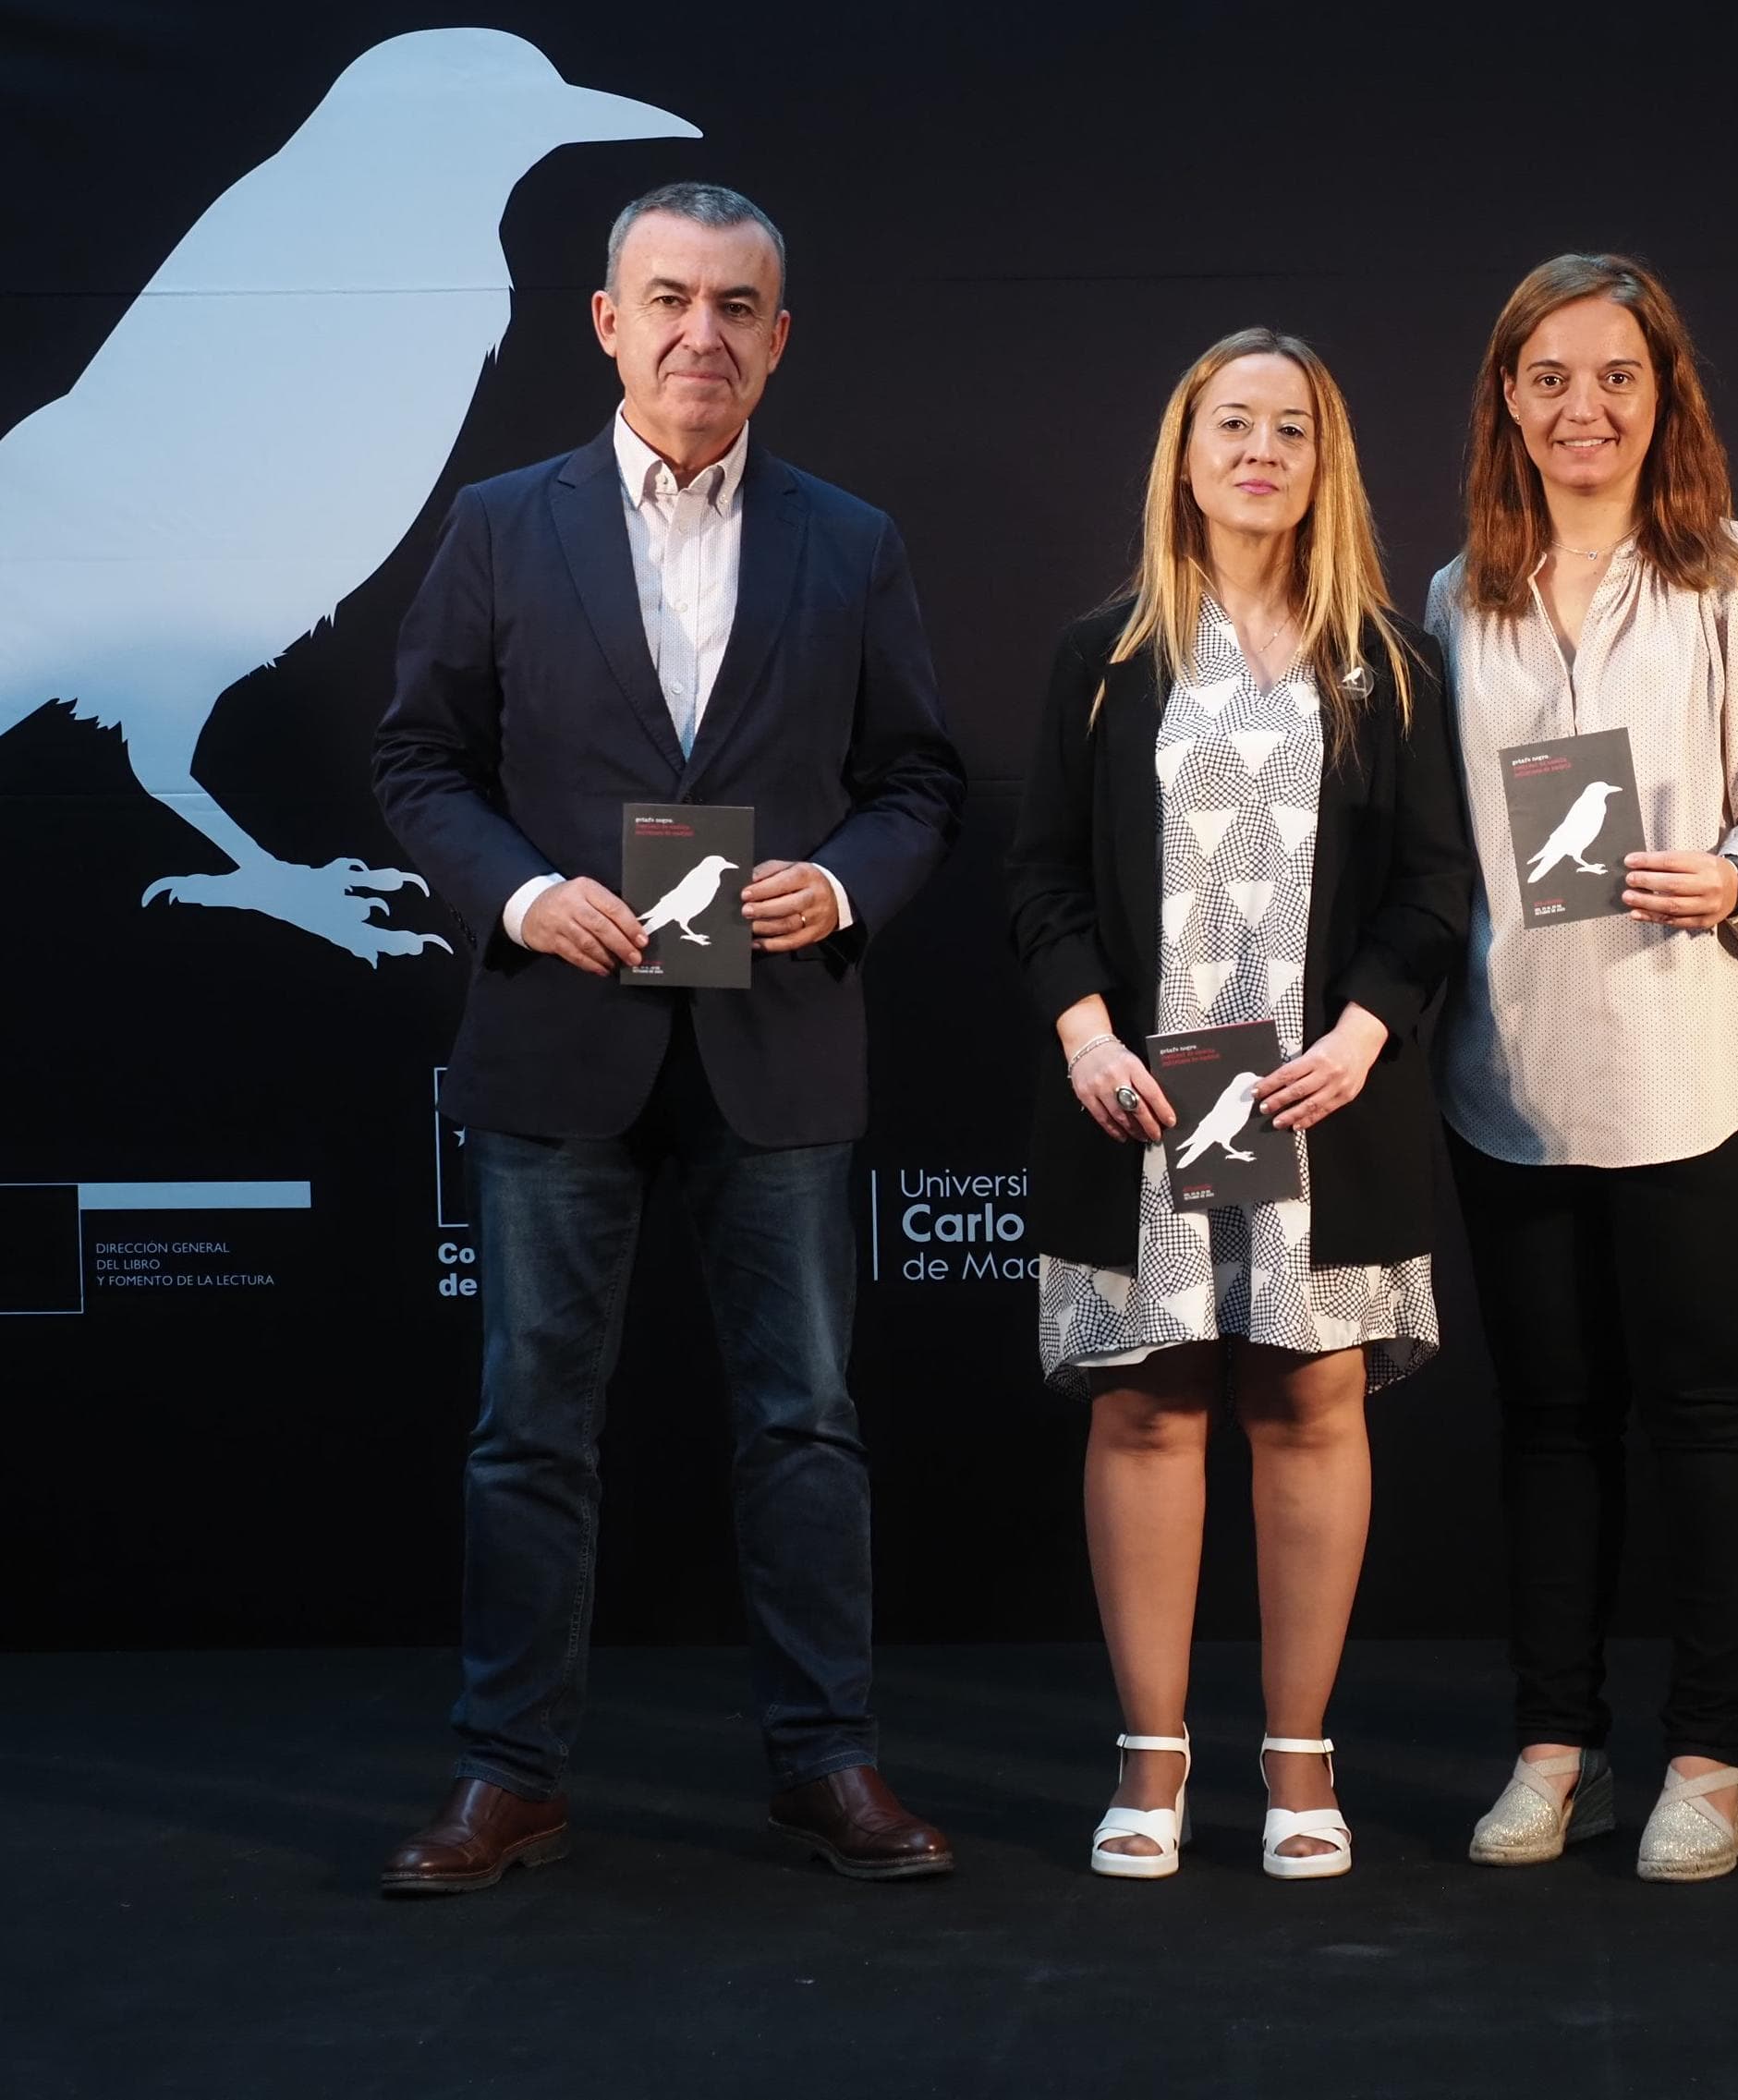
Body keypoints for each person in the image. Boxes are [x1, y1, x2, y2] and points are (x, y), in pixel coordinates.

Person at [371, 182, 966, 1893]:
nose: (703, 331)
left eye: (737, 306)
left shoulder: (850, 540)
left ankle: (827, 1760)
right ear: (608, 323)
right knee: (530, 1428)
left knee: (805, 1420)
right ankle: (508, 1775)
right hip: (561, 1033)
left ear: (779, 340)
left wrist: (838, 887)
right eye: (670, 299)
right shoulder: (501, 523)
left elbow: (919, 780)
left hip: (778, 1038)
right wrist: (520, 894)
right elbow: (418, 759)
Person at [1004, 328, 1471, 1881]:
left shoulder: (1392, 662)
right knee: (1148, 1403)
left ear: (1326, 464)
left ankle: (1298, 1760)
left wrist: (1365, 1033)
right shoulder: (1102, 658)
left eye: (1292, 428)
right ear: (1185, 455)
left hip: (1321, 1106)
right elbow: (1039, 875)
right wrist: (1085, 1034)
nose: (1262, 451)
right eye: (1233, 425)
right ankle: (1150, 1761)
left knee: (1309, 1401)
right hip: (1140, 1106)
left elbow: (1435, 888)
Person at [1428, 255, 1738, 1884]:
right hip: (1514, 1073)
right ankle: (1557, 1747)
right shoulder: (1456, 595)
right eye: (1549, 377)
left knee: (1709, 1412)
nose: (1582, 408)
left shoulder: (1735, 573)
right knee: (1550, 1420)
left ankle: (1711, 1752)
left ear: (1663, 392)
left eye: (1616, 375)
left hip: (1703, 1063)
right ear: (1507, 398)